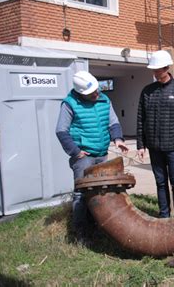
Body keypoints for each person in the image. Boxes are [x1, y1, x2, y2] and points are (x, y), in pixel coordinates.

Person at [56, 70, 128, 232]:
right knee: (81, 194)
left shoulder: (104, 99)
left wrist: (117, 139)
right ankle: (80, 230)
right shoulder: (69, 104)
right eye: (91, 92)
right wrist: (75, 151)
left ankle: (98, 227)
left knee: (100, 192)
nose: (96, 93)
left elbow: (113, 123)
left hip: (102, 155)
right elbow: (61, 130)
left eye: (96, 89)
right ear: (81, 93)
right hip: (83, 157)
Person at [136, 50, 174, 218]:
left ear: (167, 68)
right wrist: (141, 144)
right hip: (155, 147)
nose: (155, 74)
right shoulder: (147, 91)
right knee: (160, 182)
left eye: (158, 70)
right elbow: (141, 119)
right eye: (153, 70)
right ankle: (164, 215)